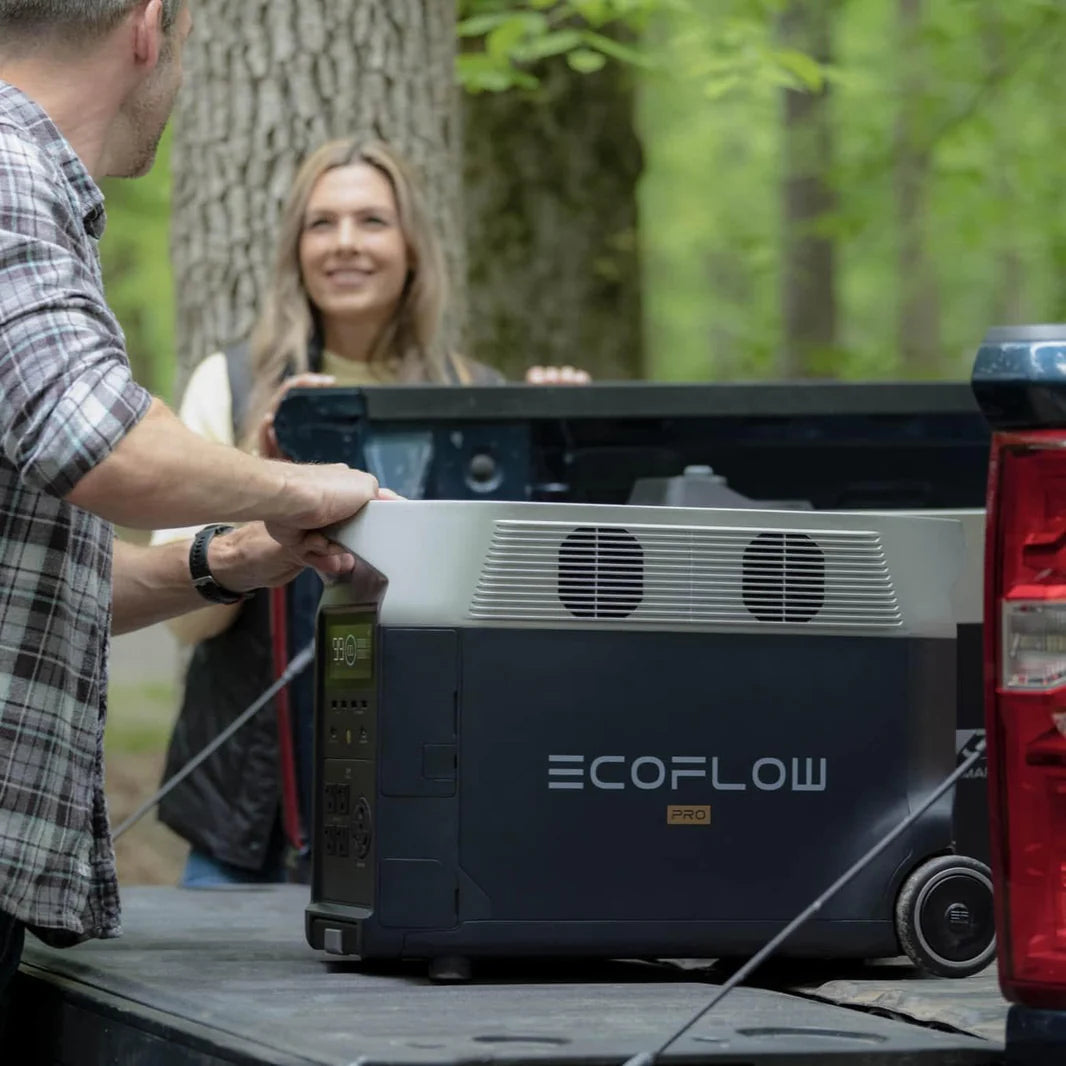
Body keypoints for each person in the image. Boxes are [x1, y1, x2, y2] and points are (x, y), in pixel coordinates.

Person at [0, 0, 390, 999]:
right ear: (149, 24)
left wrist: (223, 558)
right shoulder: (8, 168)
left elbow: (42, 589)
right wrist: (307, 483)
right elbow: (92, 435)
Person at [153, 137, 588, 886]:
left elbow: (527, 612)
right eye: (322, 224)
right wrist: (272, 489)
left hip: (433, 790)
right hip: (250, 820)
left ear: (414, 245)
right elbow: (187, 620)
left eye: (371, 221)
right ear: (295, 247)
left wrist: (565, 456)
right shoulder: (228, 386)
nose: (345, 244)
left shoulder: (477, 398)